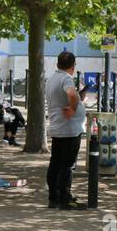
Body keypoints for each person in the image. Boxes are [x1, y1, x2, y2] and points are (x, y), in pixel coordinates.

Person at [46, 50, 86, 209]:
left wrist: (76, 101)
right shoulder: (66, 79)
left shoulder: (52, 79)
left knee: (55, 162)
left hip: (57, 126)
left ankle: (53, 196)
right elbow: (71, 94)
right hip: (69, 129)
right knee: (67, 164)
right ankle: (65, 198)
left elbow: (67, 96)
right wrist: (73, 107)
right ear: (73, 66)